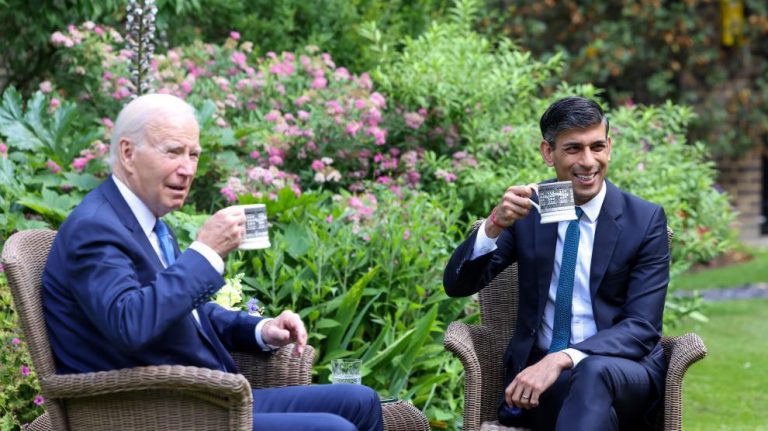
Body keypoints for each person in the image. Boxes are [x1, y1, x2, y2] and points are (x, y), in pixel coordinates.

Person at [42, 93, 383, 431]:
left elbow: (186, 313)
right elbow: (130, 324)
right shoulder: (96, 227)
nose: (188, 169)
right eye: (173, 152)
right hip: (156, 414)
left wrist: (261, 330)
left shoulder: (148, 223)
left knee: (361, 401)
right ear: (128, 153)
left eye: (194, 155)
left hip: (207, 399)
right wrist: (205, 252)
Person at [444, 96, 669, 430]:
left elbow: (641, 327)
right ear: (548, 153)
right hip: (545, 386)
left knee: (593, 371)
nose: (588, 162)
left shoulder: (644, 220)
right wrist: (494, 225)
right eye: (573, 149)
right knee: (590, 408)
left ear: (609, 147)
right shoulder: (533, 209)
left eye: (597, 147)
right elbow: (458, 285)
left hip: (625, 372)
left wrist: (561, 358)